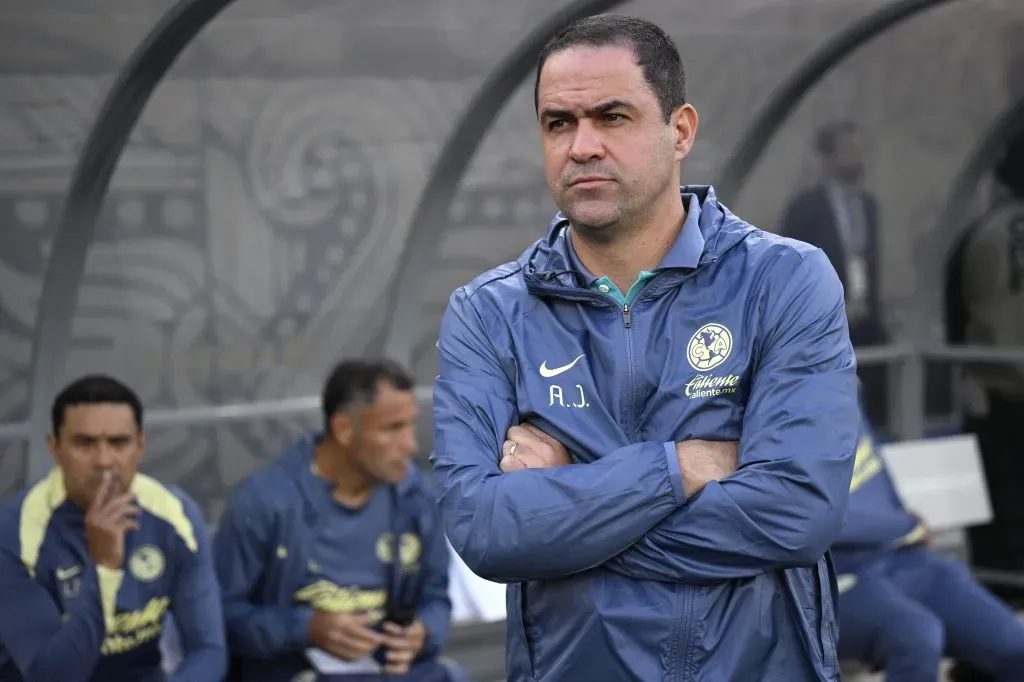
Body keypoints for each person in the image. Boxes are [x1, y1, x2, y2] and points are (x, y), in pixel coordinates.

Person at [431, 13, 859, 682]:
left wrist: (560, 505)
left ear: (680, 130)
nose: (582, 146)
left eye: (613, 117)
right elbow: (484, 531)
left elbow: (796, 513)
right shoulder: (489, 313)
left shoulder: (783, 280)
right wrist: (677, 469)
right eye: (558, 123)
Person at [213, 359, 467, 682]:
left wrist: (422, 632)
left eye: (411, 425)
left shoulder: (416, 498)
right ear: (344, 429)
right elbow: (220, 619)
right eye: (393, 429)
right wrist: (305, 628)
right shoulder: (263, 501)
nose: (411, 446)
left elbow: (437, 599)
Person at [0, 374, 226, 682]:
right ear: (55, 450)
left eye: (119, 442)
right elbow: (50, 676)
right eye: (85, 443)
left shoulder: (175, 515)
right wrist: (105, 570)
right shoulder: (15, 533)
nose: (104, 460)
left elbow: (209, 651)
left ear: (141, 445)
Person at [832, 400, 1024, 681]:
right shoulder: (763, 414)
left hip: (903, 557)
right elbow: (803, 523)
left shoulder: (842, 386)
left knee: (1014, 650)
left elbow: (877, 481)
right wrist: (904, 525)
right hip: (831, 577)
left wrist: (902, 521)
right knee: (915, 633)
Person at [946, 129, 1024, 605]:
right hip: (1001, 384)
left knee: (999, 511)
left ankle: (999, 601)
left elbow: (957, 313)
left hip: (993, 388)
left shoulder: (982, 233)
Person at [779, 120, 889, 427]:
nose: (856, 157)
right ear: (827, 158)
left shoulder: (867, 205)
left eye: (858, 150)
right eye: (848, 150)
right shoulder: (805, 208)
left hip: (866, 321)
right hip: (825, 321)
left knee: (875, 398)